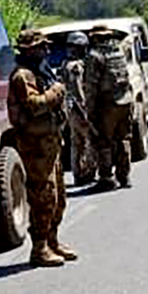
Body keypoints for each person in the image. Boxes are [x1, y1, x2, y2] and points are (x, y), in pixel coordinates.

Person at [7, 28, 76, 267]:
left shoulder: (41, 71)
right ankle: (39, 248)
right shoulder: (23, 76)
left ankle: (52, 241)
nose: (46, 50)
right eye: (41, 47)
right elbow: (34, 105)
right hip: (35, 147)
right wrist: (55, 93)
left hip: (50, 142)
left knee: (58, 198)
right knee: (42, 198)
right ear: (29, 50)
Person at [84, 25, 134, 190]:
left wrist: (89, 111)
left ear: (96, 38)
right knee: (123, 139)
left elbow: (91, 87)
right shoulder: (118, 52)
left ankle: (106, 178)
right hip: (125, 101)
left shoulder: (95, 56)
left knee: (103, 141)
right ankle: (124, 177)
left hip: (107, 104)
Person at [60, 31, 96, 186]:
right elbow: (77, 91)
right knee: (87, 141)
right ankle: (85, 173)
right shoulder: (75, 66)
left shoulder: (65, 63)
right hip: (77, 109)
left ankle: (79, 173)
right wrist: (85, 111)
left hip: (71, 109)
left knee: (77, 141)